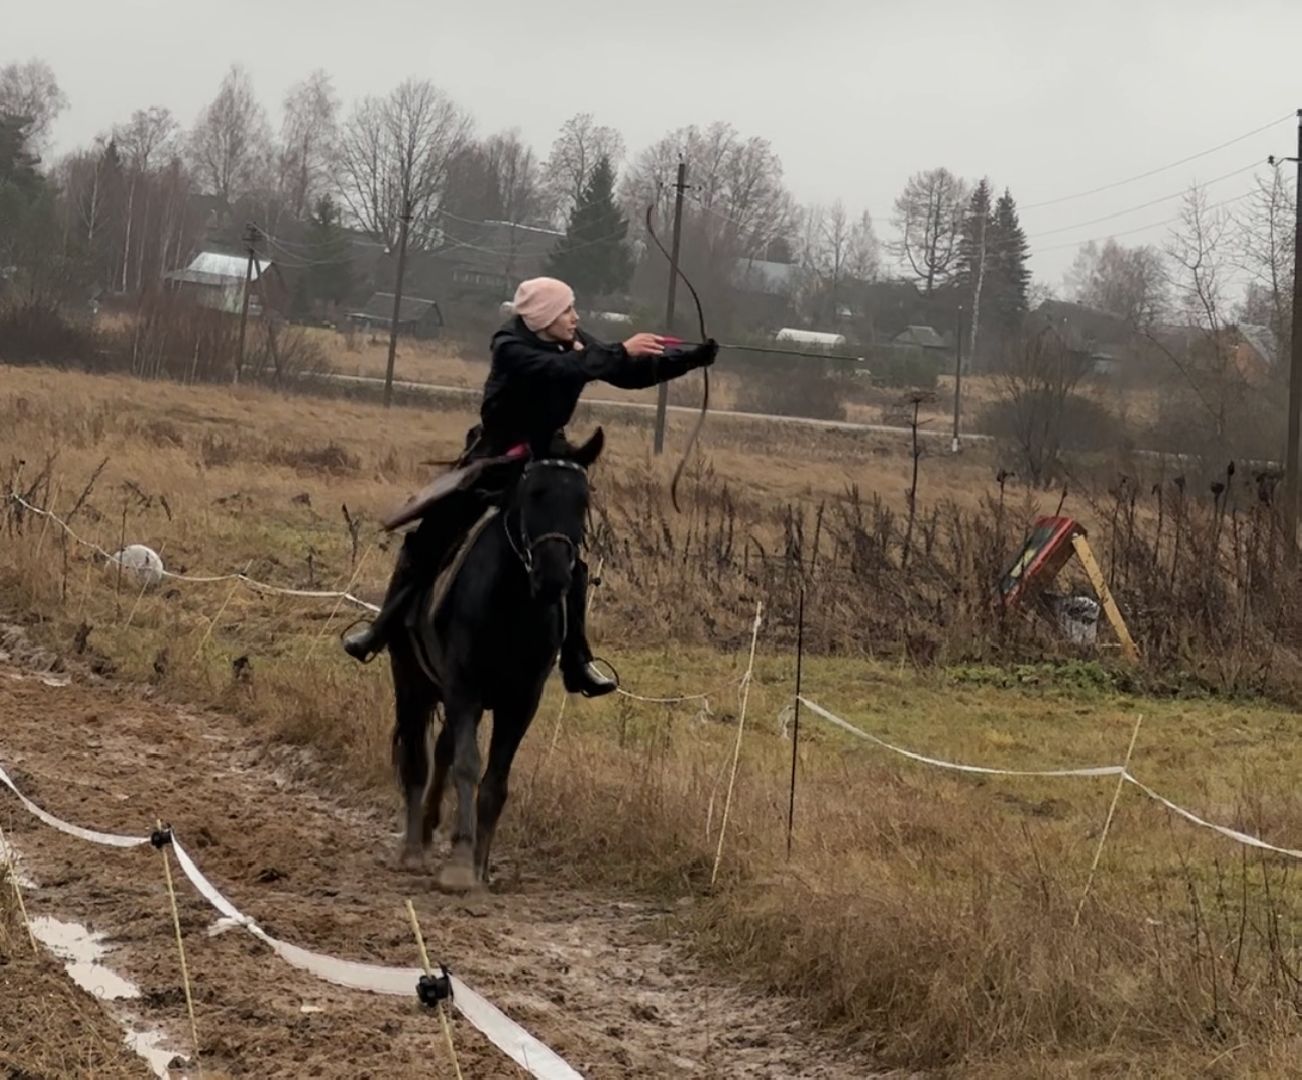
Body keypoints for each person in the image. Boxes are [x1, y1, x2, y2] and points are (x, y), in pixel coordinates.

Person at [343, 276, 717, 697]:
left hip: (547, 458)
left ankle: (577, 659)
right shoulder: (511, 346)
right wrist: (619, 349)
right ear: (543, 317)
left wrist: (691, 360)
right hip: (495, 456)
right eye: (567, 310)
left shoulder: (573, 341)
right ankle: (382, 627)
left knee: (565, 550)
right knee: (431, 533)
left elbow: (626, 372)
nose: (575, 317)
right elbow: (565, 368)